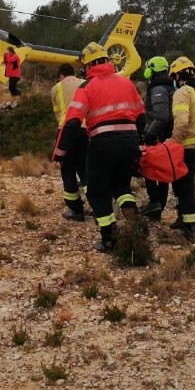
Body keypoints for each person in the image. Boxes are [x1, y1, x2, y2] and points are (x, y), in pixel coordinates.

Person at [54, 42, 145, 252]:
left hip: (103, 143)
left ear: (88, 65)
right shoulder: (126, 83)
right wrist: (142, 141)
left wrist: (60, 151)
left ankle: (109, 238)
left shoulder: (87, 87)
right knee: (121, 186)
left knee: (96, 192)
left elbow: (72, 122)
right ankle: (136, 225)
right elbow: (141, 116)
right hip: (129, 141)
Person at [168, 56, 195, 240]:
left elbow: (182, 120)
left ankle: (190, 225)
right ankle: (182, 217)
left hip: (188, 145)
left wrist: (173, 141)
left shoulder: (182, 92)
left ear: (178, 75)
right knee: (179, 182)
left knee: (185, 185)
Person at [139, 56, 175, 221]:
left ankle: (155, 203)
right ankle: (158, 206)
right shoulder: (168, 87)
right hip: (165, 136)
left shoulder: (158, 88)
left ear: (152, 69)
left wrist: (149, 135)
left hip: (157, 136)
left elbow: (161, 117)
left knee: (150, 169)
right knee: (162, 173)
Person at [51, 63, 87, 221]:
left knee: (67, 170)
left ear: (61, 75)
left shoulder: (56, 88)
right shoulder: (85, 83)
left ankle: (76, 209)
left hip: (66, 131)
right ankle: (97, 203)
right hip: (87, 129)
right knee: (86, 168)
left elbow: (58, 113)